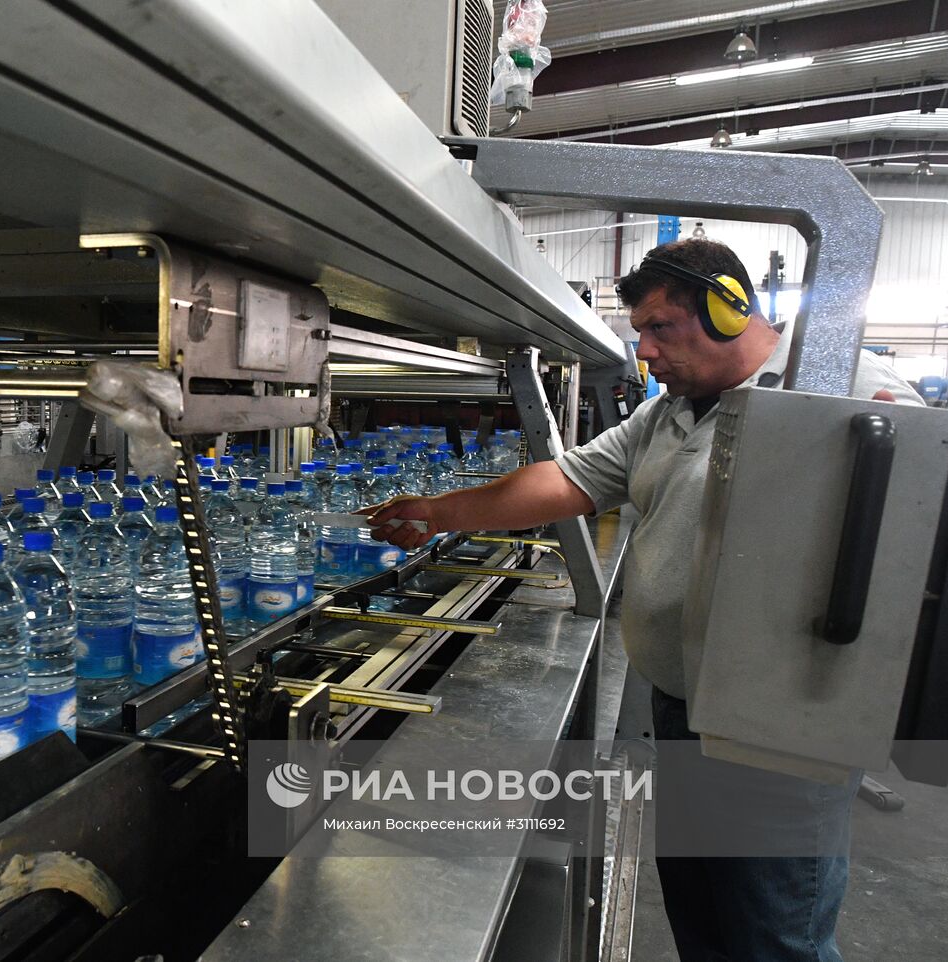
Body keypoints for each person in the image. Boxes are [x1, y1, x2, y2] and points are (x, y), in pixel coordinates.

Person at [365, 238, 922, 962]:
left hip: (782, 728)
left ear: (729, 308)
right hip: (684, 705)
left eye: (663, 329)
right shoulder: (672, 414)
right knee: (703, 911)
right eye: (640, 335)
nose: (647, 353)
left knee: (776, 930)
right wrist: (440, 513)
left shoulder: (846, 385)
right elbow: (564, 481)